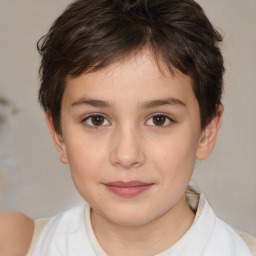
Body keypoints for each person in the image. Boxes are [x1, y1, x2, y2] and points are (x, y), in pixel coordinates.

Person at [28, 0, 256, 255]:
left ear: (207, 132)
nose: (126, 155)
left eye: (159, 119)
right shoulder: (24, 245)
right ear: (58, 135)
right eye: (96, 120)